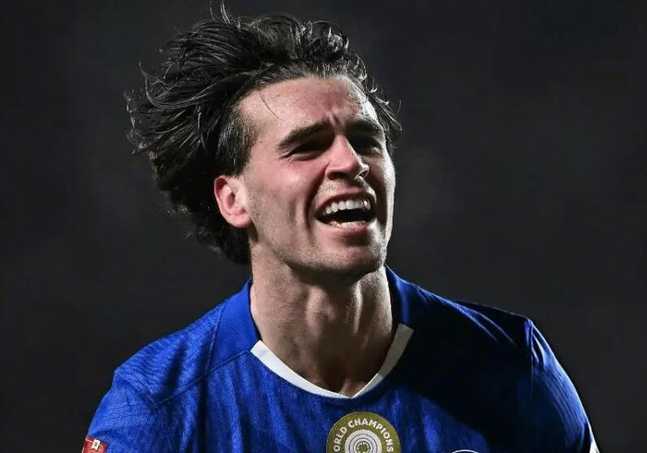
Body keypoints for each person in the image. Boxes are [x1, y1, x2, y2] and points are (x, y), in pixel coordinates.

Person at [84, 8, 599, 453]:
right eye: (307, 146)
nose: (351, 162)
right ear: (233, 199)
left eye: (365, 140)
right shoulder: (158, 409)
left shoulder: (511, 368)